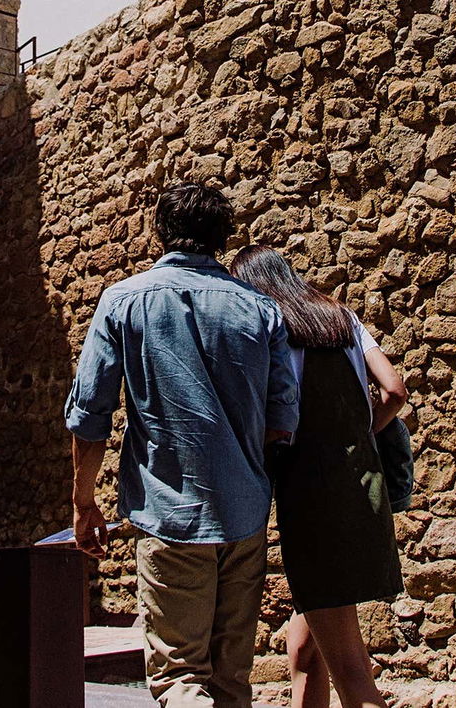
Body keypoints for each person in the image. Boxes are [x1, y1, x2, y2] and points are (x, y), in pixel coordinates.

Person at [65, 184, 299, 707]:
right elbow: (283, 419)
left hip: (171, 512)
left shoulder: (123, 301)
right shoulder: (262, 311)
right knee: (232, 679)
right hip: (245, 514)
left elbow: (90, 417)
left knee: (179, 677)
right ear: (223, 237)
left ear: (160, 231)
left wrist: (84, 504)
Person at [229, 245, 408, 708]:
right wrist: (358, 432)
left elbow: (274, 422)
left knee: (351, 672)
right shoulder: (343, 319)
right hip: (363, 491)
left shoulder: (270, 332)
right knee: (306, 649)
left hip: (311, 500)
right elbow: (393, 391)